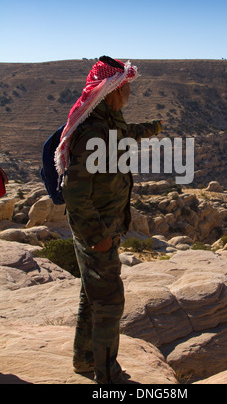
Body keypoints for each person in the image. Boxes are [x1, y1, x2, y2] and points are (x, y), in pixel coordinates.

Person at [55, 56, 163, 384]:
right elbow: (75, 192)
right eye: (124, 87)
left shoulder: (110, 122)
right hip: (97, 230)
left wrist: (154, 127)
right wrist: (96, 234)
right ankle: (108, 377)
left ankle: (85, 360)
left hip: (108, 224)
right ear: (110, 90)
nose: (128, 92)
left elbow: (128, 132)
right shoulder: (94, 132)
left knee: (93, 296)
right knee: (110, 301)